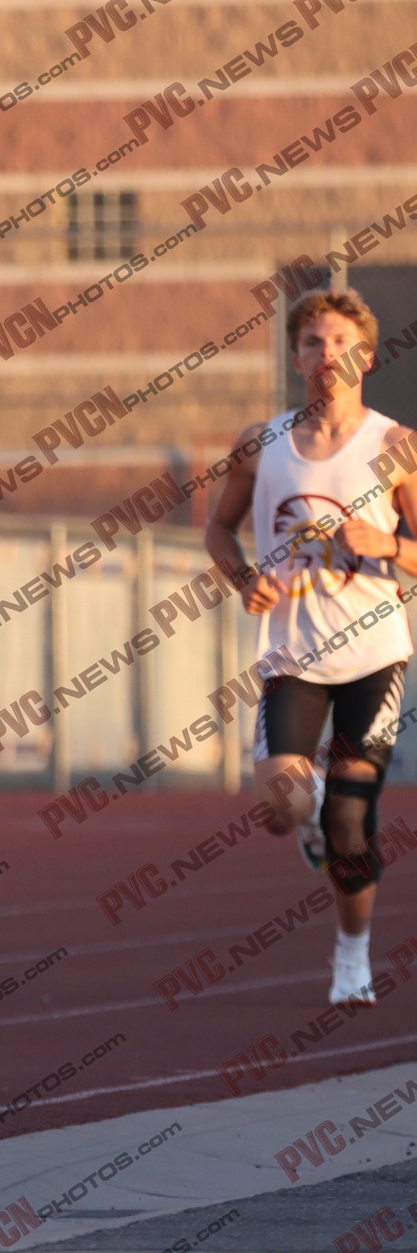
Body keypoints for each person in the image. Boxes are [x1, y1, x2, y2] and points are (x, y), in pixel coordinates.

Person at [205, 288, 413, 1007]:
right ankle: (312, 810)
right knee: (283, 808)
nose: (328, 355)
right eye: (313, 342)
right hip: (291, 653)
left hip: (373, 653)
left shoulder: (394, 445)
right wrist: (244, 580)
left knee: (352, 819)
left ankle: (351, 955)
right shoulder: (259, 444)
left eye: (341, 342)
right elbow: (218, 530)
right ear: (295, 356)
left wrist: (387, 543)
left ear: (366, 356)